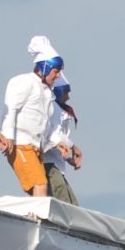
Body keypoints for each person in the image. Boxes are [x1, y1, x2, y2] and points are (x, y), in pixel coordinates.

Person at [0, 36, 60, 196]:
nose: (58, 76)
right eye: (56, 71)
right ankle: (36, 219)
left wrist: (58, 143)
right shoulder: (24, 81)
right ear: (45, 67)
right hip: (20, 144)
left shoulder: (46, 92)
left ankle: (32, 216)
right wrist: (7, 137)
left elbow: (43, 124)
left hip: (35, 148)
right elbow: (10, 109)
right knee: (40, 184)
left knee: (39, 190)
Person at [41, 75, 80, 204]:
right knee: (61, 196)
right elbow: (53, 133)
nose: (68, 96)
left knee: (72, 203)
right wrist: (74, 147)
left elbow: (62, 142)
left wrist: (70, 158)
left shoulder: (63, 112)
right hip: (48, 163)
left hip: (57, 163)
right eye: (66, 92)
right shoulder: (52, 108)